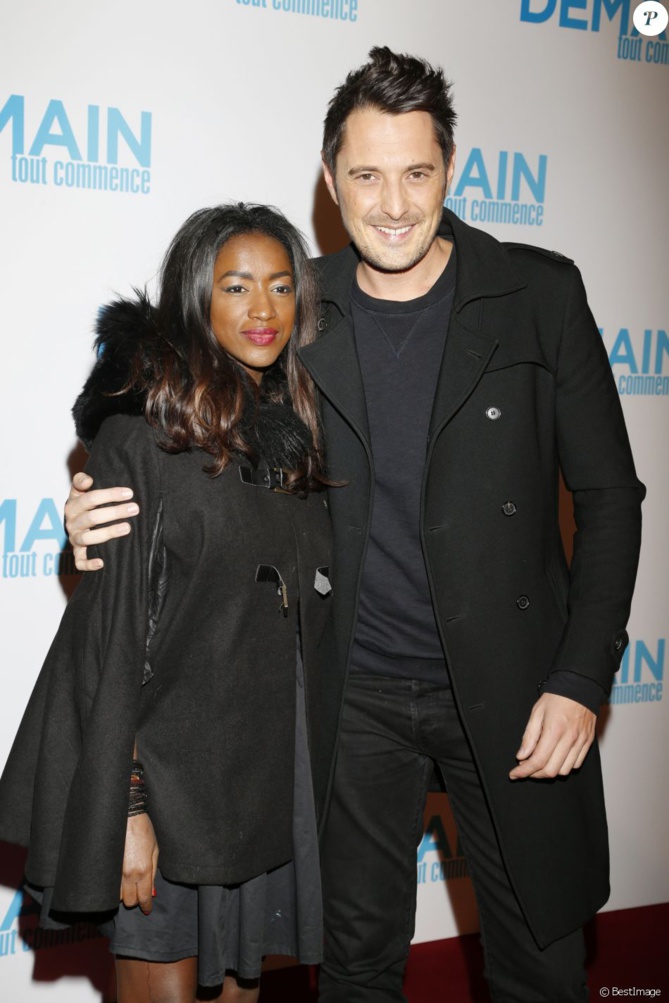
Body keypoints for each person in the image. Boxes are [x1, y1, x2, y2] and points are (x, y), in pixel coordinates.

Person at [61, 48, 644, 1003]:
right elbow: (171, 420)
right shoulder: (296, 310)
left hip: (514, 686)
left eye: (416, 172)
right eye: (366, 175)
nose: (394, 202)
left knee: (539, 961)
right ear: (331, 181)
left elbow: (612, 500)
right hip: (350, 693)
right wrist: (97, 501)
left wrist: (581, 677)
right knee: (357, 966)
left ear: (449, 168)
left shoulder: (538, 294)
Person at [0, 203, 334, 1003]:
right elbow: (108, 644)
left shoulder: (291, 440)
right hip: (163, 790)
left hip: (254, 793)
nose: (263, 310)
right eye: (237, 286)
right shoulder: (141, 437)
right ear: (195, 297)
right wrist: (128, 806)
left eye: (282, 286)